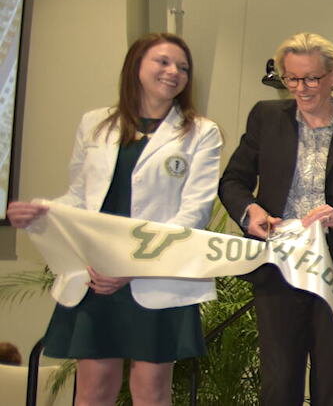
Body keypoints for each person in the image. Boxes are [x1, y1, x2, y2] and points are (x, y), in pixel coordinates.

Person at [7, 33, 223, 405]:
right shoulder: (96, 123)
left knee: (151, 390)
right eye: (163, 62)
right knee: (93, 389)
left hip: (155, 275)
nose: (174, 72)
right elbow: (79, 197)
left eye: (183, 67)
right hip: (95, 274)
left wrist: (132, 267)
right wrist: (39, 212)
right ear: (136, 65)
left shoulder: (201, 132)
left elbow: (193, 214)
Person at [217, 32, 333, 406]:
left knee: (331, 384)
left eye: (311, 78)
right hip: (278, 268)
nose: (301, 88)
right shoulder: (266, 117)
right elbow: (233, 180)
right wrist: (250, 211)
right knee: (279, 382)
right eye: (291, 78)